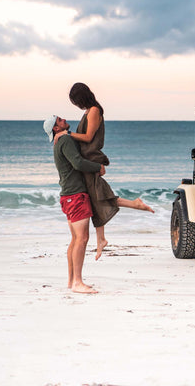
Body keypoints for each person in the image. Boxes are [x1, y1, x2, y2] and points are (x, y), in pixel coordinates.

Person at [54, 82, 154, 260]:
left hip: (91, 158)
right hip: (87, 159)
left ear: (82, 97)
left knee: (98, 196)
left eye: (76, 101)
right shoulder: (87, 111)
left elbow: (88, 137)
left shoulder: (94, 110)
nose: (76, 105)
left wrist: (66, 134)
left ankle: (106, 234)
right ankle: (104, 235)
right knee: (97, 196)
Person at [43, 114, 102, 294]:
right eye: (60, 120)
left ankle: (71, 281)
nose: (64, 119)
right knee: (82, 239)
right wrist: (98, 167)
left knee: (76, 239)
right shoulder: (65, 140)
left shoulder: (60, 141)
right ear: (56, 128)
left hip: (68, 195)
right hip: (75, 195)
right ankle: (77, 282)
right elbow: (77, 163)